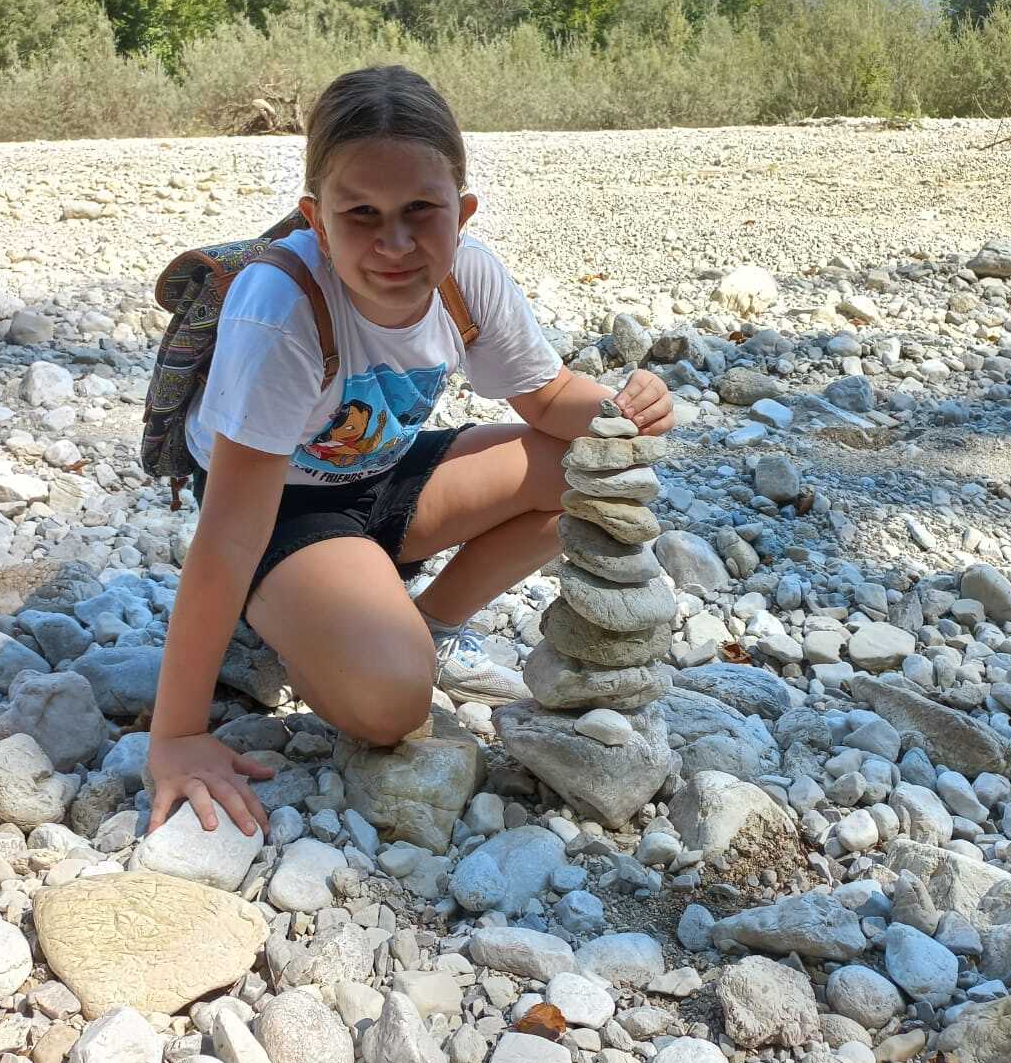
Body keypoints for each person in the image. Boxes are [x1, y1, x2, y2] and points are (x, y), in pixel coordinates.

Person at [147, 65, 675, 837]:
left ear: (462, 212)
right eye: (361, 213)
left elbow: (550, 399)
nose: (394, 243)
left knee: (594, 467)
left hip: (380, 466)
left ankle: (424, 627)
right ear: (316, 219)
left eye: (421, 211)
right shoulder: (282, 306)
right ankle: (289, 622)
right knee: (393, 705)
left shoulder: (467, 277)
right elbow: (228, 532)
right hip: (278, 507)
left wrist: (626, 408)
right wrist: (176, 736)